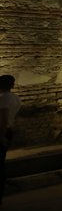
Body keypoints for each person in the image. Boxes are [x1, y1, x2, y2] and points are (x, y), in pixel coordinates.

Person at [0, 74, 19, 202]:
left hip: (2, 132)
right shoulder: (16, 98)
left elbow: (3, 119)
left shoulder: (3, 99)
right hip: (9, 131)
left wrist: (1, 136)